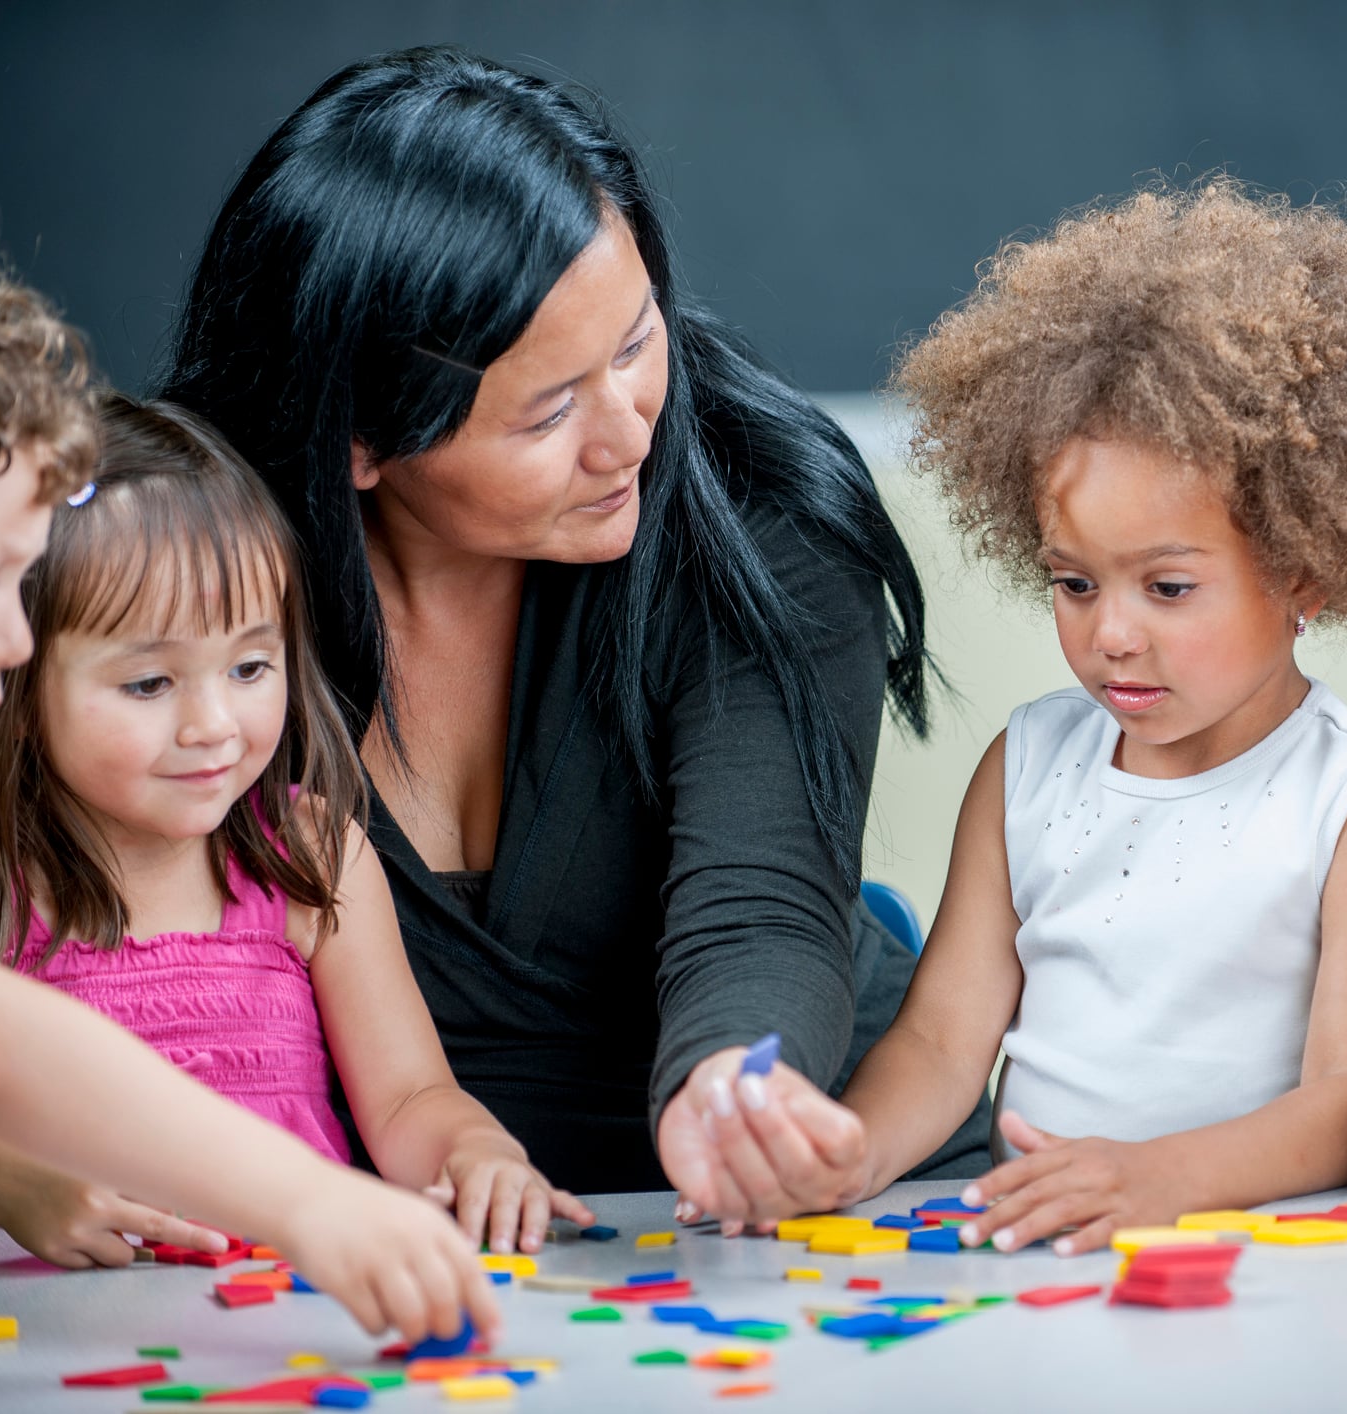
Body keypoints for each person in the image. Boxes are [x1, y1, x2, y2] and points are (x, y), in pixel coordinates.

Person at [154, 45, 982, 1214]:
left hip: (818, 1213)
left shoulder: (758, 508)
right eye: (548, 413)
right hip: (409, 1255)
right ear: (358, 442)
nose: (629, 433)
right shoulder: (174, 583)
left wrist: (735, 1091)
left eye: (637, 343)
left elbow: (763, 911)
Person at [687, 180, 1347, 1245]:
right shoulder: (1030, 764)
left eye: (1168, 587)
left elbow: (1345, 1103)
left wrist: (1150, 1179)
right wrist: (847, 1157)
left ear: (1305, 569)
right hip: (1036, 1257)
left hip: (1252, 1267)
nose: (1113, 633)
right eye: (1075, 582)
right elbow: (943, 1044)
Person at [0, 245, 495, 1341]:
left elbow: (413, 1096)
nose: (9, 640)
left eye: (250, 664)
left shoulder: (309, 852)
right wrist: (307, 1201)